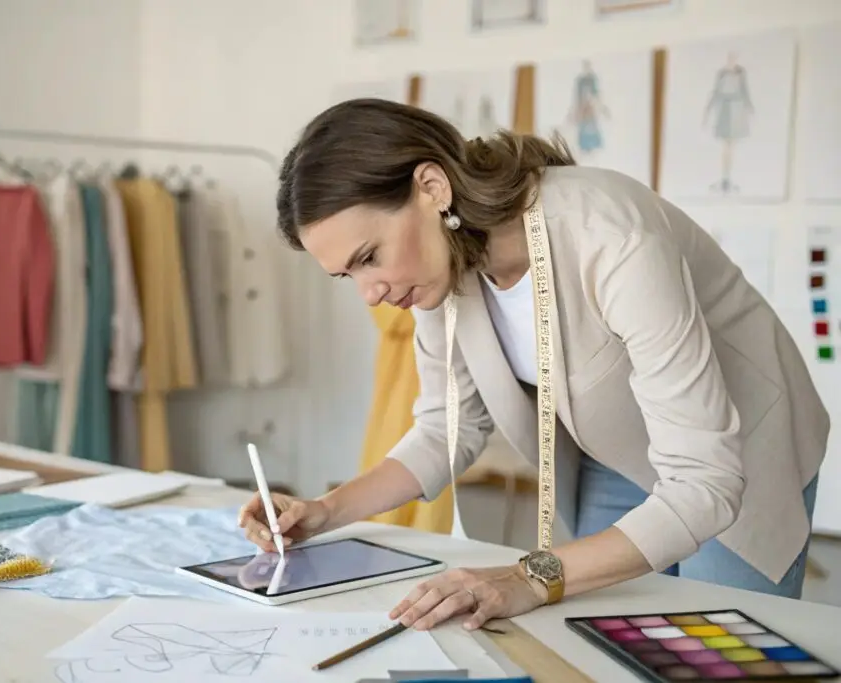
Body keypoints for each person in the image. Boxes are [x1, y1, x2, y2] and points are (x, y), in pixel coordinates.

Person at [238, 98, 828, 632]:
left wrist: (528, 576)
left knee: (716, 649)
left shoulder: (612, 237)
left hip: (736, 450)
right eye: (350, 275)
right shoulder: (438, 270)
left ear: (432, 187)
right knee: (607, 640)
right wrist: (324, 512)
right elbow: (448, 428)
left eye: (370, 257)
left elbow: (705, 483)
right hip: (613, 450)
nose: (371, 292)